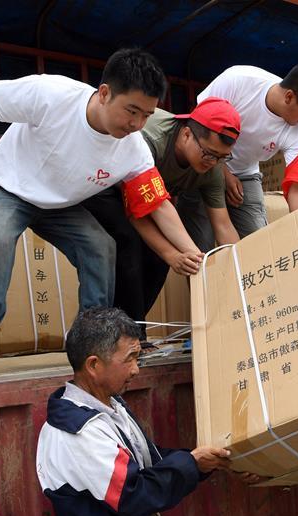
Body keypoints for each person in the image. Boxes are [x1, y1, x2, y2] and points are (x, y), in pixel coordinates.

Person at [0, 48, 199, 379]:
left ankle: (92, 343)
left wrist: (196, 255)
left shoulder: (134, 149)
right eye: (131, 111)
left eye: (146, 115)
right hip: (4, 187)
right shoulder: (51, 95)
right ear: (104, 93)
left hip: (58, 206)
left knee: (101, 247)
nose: (136, 124)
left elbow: (158, 204)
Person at [36, 306, 237, 516]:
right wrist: (191, 464)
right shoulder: (80, 431)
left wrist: (203, 462)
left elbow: (150, 463)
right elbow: (134, 494)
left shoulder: (109, 407)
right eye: (129, 359)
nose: (136, 369)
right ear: (94, 365)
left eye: (137, 357)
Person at [84, 97, 242, 347]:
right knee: (130, 242)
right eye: (209, 154)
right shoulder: (151, 142)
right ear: (187, 134)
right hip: (104, 184)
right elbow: (135, 213)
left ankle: (130, 329)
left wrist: (242, 268)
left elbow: (223, 226)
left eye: (222, 158)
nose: (212, 163)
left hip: (150, 202)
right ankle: (128, 336)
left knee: (159, 260)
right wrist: (172, 254)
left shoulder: (213, 170)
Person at [177, 59, 298, 247]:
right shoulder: (237, 81)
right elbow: (198, 129)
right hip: (203, 163)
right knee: (200, 245)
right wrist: (223, 172)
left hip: (245, 174)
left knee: (257, 246)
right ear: (289, 97)